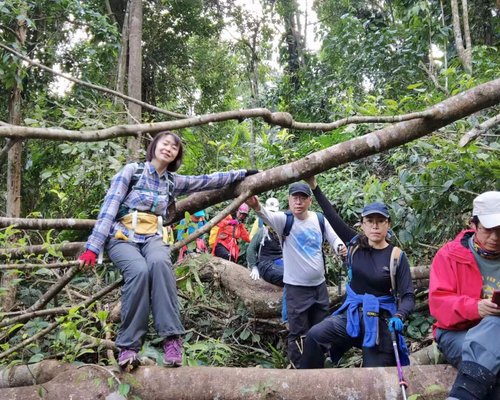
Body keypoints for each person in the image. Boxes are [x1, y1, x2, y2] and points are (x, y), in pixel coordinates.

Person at [78, 131, 257, 370]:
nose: (169, 148)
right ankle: (129, 346)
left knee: (161, 265)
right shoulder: (132, 172)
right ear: (154, 147)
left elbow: (206, 180)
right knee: (139, 272)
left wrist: (242, 174)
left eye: (174, 147)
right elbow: (109, 208)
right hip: (122, 236)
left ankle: (172, 339)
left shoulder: (172, 181)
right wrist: (92, 247)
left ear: (176, 156)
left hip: (152, 236)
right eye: (165, 143)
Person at [299, 176, 415, 369]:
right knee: (314, 336)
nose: (375, 226)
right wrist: (314, 186)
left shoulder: (396, 256)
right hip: (351, 314)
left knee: (374, 375)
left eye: (380, 221)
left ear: (388, 224)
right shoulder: (355, 245)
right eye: (370, 221)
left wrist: (400, 315)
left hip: (380, 319)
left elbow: (408, 295)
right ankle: (307, 383)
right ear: (362, 224)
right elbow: (332, 216)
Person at [246, 182, 346, 368]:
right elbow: (265, 214)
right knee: (298, 332)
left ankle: (319, 367)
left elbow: (333, 238)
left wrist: (340, 248)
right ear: (289, 200)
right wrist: (255, 205)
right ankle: (299, 370)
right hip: (296, 289)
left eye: (303, 198)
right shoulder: (285, 220)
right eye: (295, 198)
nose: (298, 202)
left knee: (321, 329)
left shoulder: (319, 219)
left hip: (319, 286)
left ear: (309, 201)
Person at [429, 191, 500, 400]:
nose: (495, 238)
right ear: (474, 224)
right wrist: (475, 307)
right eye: (488, 230)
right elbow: (438, 304)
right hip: (457, 332)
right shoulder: (450, 254)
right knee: (493, 328)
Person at [246, 198, 287, 322]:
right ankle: (287, 317)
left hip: (280, 261)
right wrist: (253, 266)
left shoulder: (283, 230)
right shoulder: (263, 231)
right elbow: (251, 249)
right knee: (289, 277)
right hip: (266, 263)